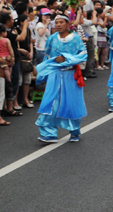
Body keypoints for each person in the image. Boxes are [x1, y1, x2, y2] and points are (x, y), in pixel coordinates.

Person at [35, 15, 88, 143]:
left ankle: (74, 131)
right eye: (56, 22)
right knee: (50, 103)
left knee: (71, 104)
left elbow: (83, 54)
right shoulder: (52, 38)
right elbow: (47, 57)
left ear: (67, 24)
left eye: (61, 22)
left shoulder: (75, 39)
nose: (58, 25)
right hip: (55, 74)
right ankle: (49, 133)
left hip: (70, 75)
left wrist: (66, 58)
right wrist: (43, 74)